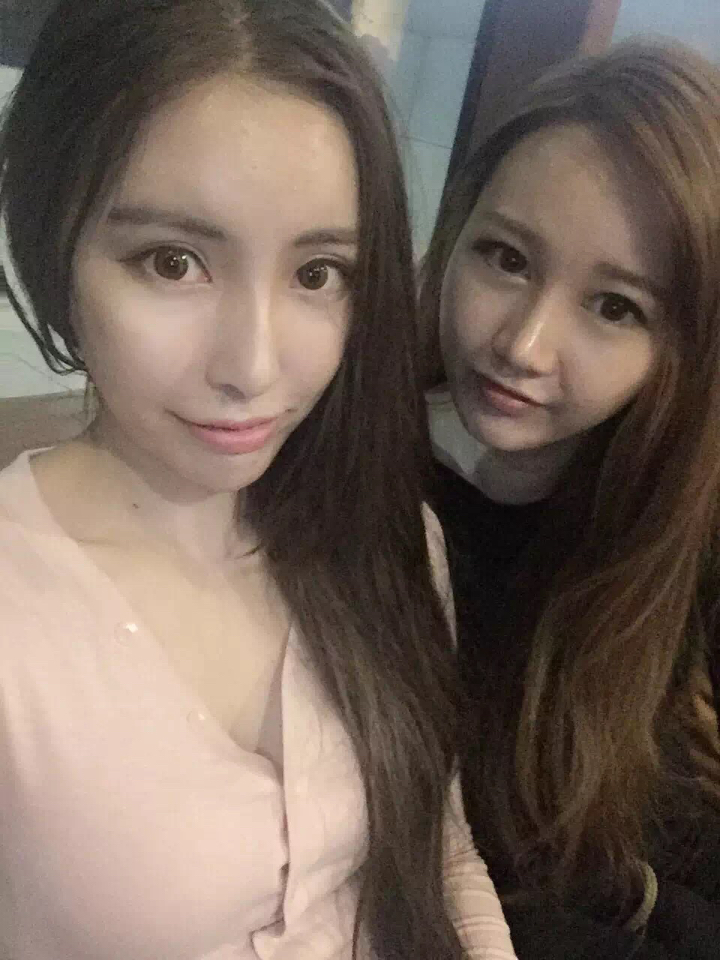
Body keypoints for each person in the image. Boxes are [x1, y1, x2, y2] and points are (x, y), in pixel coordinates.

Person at [0, 1, 516, 958]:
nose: (254, 366)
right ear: (53, 245)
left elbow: (440, 855)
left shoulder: (389, 538)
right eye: (174, 262)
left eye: (317, 274)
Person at [421, 41, 720, 960]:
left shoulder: (686, 542)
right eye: (506, 258)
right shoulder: (346, 485)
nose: (524, 345)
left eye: (615, 307)